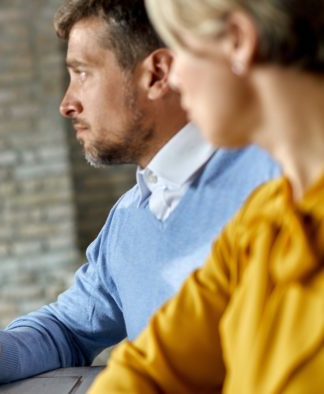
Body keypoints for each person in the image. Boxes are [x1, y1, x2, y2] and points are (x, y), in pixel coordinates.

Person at [0, 0, 280, 385]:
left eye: (82, 73)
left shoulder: (275, 179)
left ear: (157, 74)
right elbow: (68, 328)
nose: (66, 103)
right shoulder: (130, 216)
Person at [89, 0, 324, 392]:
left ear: (237, 40)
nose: (174, 78)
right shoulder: (263, 220)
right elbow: (149, 369)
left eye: (179, 47)